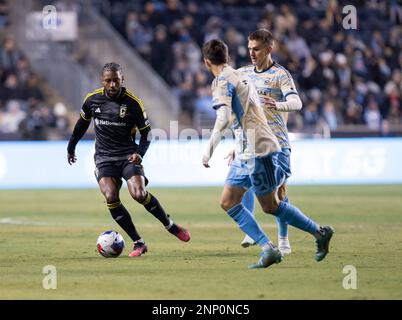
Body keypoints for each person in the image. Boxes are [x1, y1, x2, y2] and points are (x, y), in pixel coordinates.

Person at [202, 39, 334, 269]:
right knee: (228, 201)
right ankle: (269, 247)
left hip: (258, 150)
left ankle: (319, 232)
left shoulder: (222, 81)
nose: (252, 53)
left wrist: (208, 150)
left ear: (206, 63)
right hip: (245, 150)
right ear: (228, 56)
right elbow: (251, 112)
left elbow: (223, 119)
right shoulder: (241, 75)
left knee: (271, 205)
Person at [67, 62, 190, 257]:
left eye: (116, 80)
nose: (113, 84)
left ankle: (170, 225)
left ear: (122, 79)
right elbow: (81, 125)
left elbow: (147, 133)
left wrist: (140, 153)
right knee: (110, 196)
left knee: (139, 194)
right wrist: (71, 147)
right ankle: (138, 242)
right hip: (104, 158)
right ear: (102, 81)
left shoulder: (133, 103)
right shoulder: (92, 101)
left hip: (127, 156)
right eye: (108, 81)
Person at [233, 29, 303, 253]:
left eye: (257, 49)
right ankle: (252, 232)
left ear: (269, 49)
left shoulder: (280, 75)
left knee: (279, 194)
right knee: (245, 185)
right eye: (250, 48)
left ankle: (283, 238)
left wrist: (278, 104)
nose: (252, 53)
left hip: (278, 143)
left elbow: (297, 103)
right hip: (252, 141)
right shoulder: (243, 72)